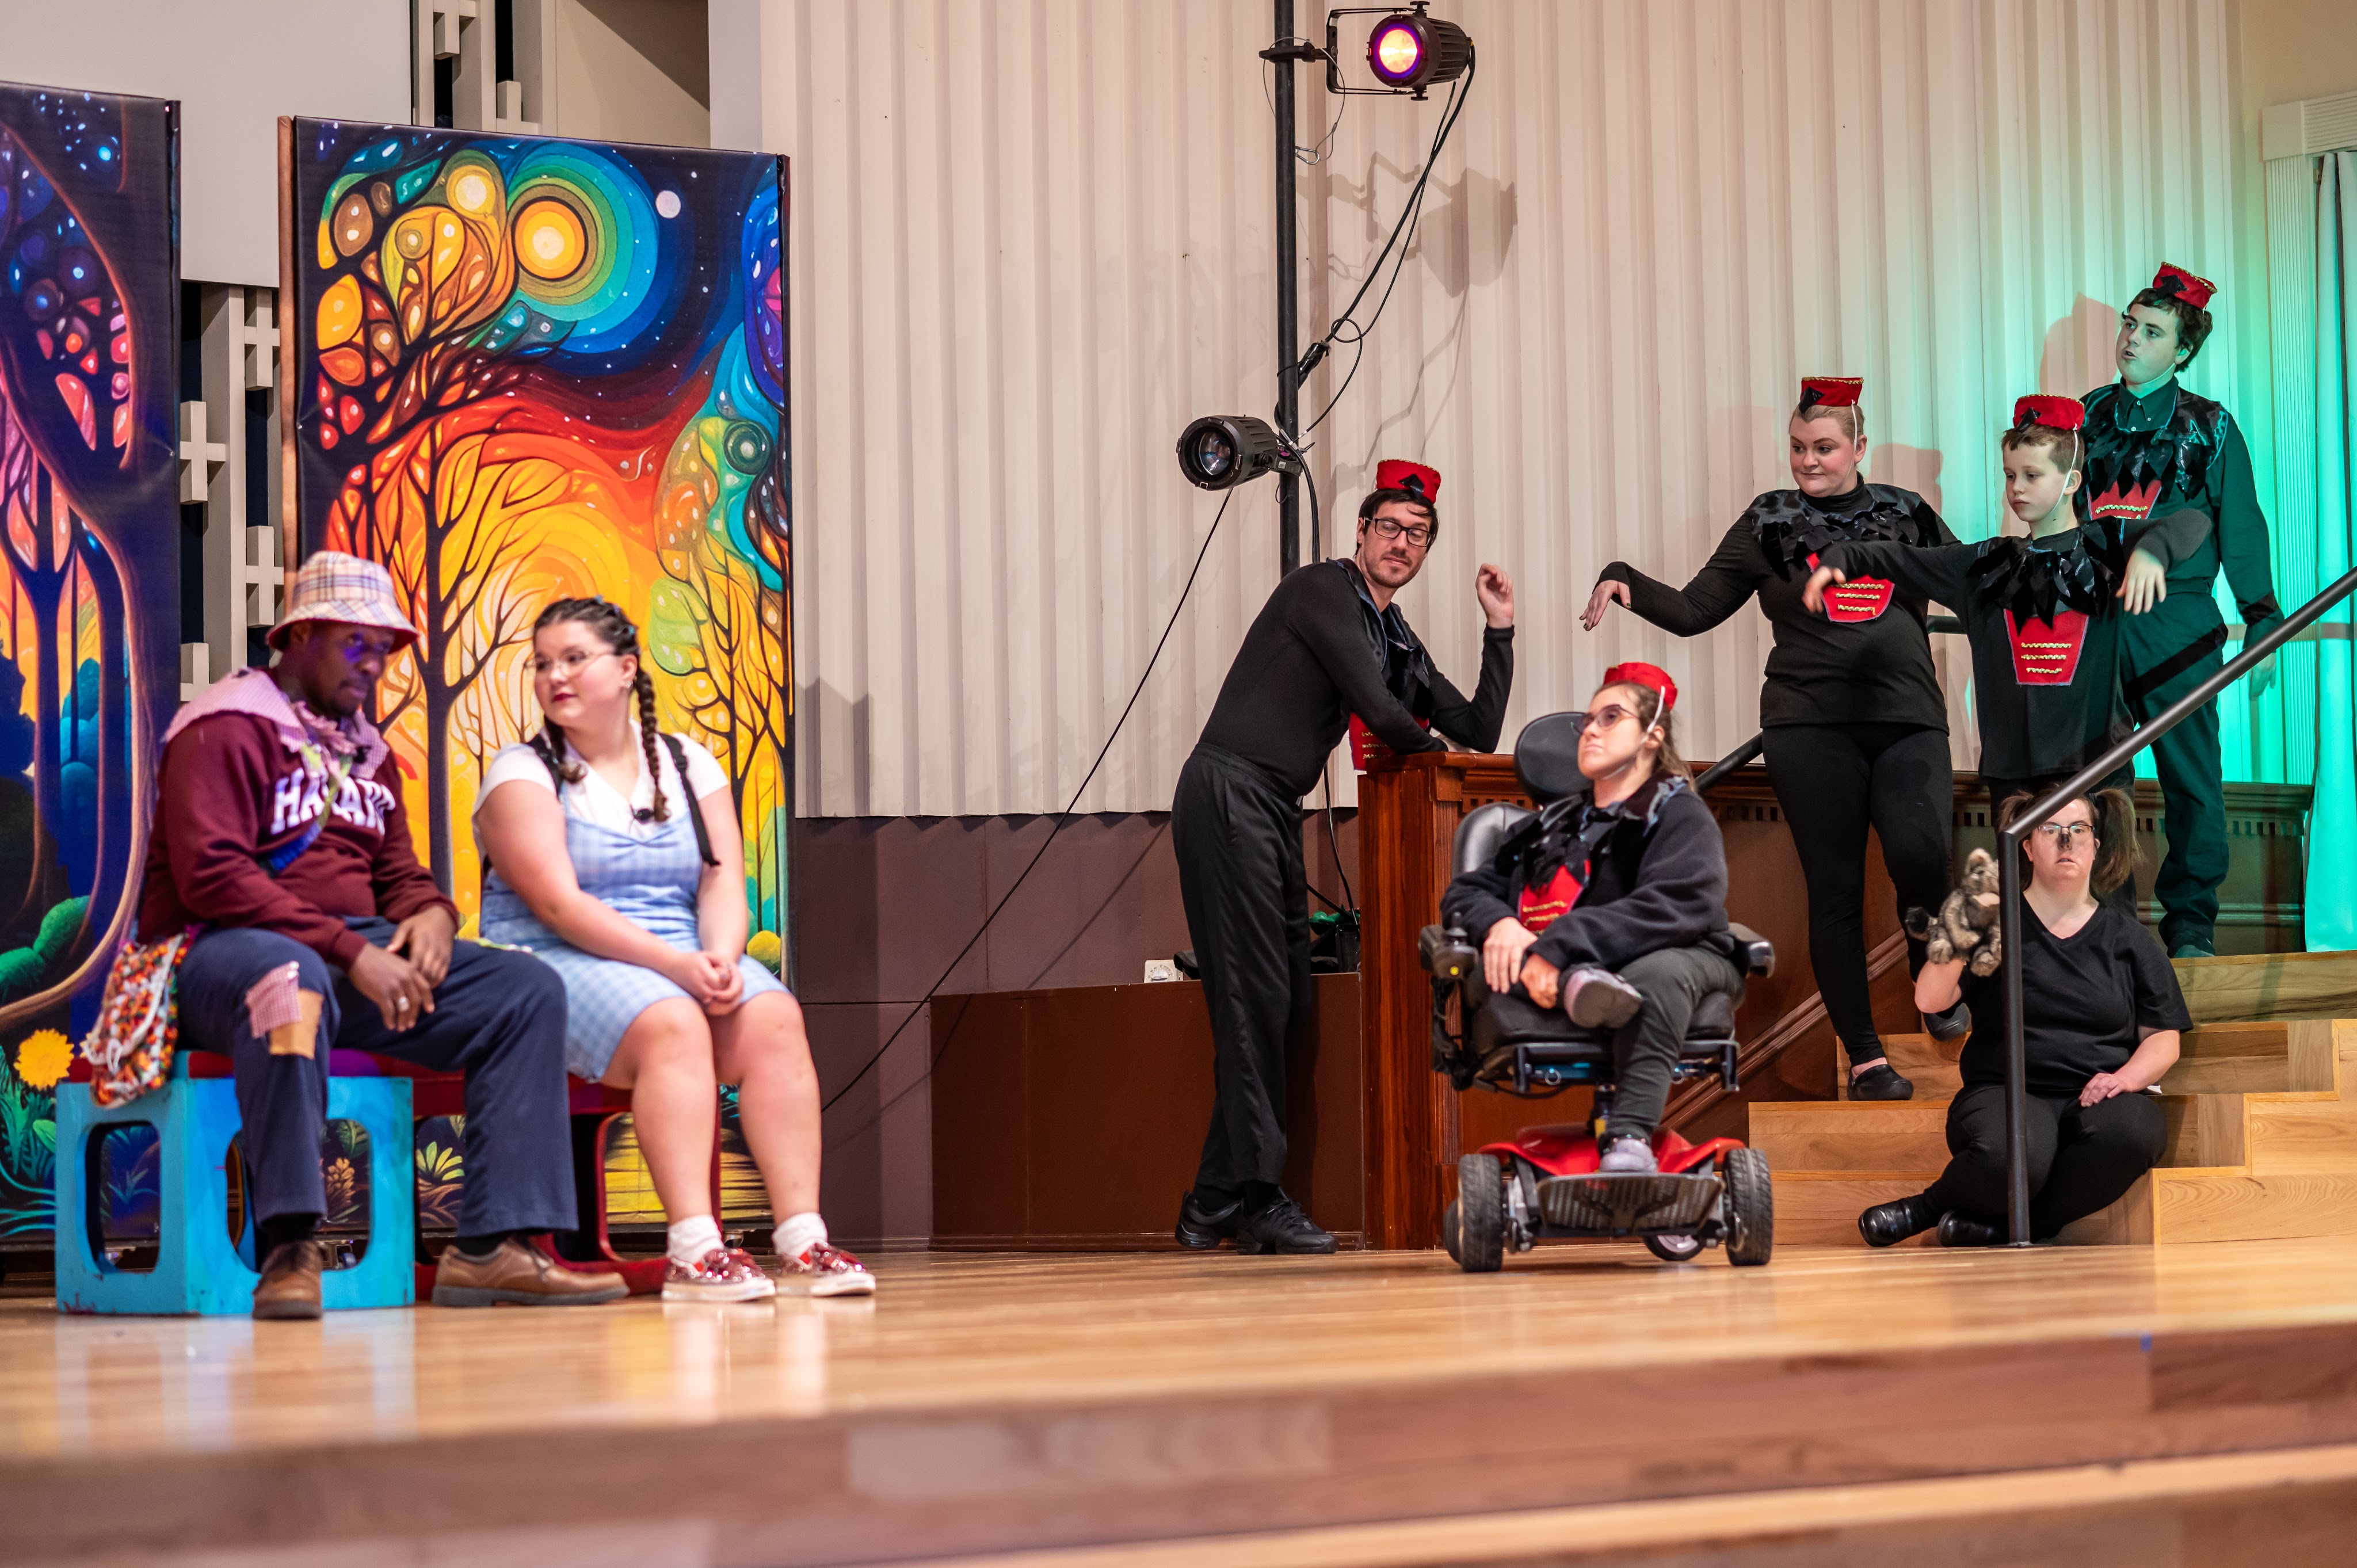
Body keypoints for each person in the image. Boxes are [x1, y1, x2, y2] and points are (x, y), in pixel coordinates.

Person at [135, 553, 623, 1318]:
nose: (374, 663)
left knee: (523, 990)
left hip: (346, 955)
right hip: (219, 957)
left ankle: (493, 1246)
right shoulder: (223, 725)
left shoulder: (366, 751)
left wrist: (430, 915)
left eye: (385, 648)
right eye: (355, 643)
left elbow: (398, 873)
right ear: (299, 636)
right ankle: (290, 1247)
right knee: (287, 982)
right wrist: (352, 951)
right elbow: (213, 878)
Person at [475, 598, 871, 1299]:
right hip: (557, 958)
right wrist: (677, 967)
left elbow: (721, 879)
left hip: (680, 951)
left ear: (627, 668)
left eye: (574, 658)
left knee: (773, 1015)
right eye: (542, 663)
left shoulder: (687, 762)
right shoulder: (521, 772)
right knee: (671, 1021)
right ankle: (694, 1250)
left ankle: (802, 1238)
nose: (554, 676)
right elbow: (560, 906)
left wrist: (719, 955)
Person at [1175, 459, 1515, 1254]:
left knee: (1289, 1003)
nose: (1402, 542)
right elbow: (1386, 714)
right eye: (1389, 527)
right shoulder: (1322, 590)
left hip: (1273, 808)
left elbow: (1479, 728)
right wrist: (1431, 752)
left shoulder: (1392, 633)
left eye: (1418, 535)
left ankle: (1213, 1201)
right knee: (1257, 1001)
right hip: (1230, 790)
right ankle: (1257, 1197)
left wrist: (1499, 629)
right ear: (1361, 532)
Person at [1585, 377, 1959, 1100]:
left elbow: (1972, 586)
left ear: (1859, 446)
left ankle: (1931, 968)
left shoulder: (1907, 513)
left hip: (1907, 718)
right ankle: (1866, 1059)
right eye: (1797, 447)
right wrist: (1625, 579)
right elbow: (1695, 608)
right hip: (1807, 726)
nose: (1808, 461)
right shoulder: (1768, 519)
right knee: (1834, 890)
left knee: (1921, 857)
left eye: (1824, 448)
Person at [1802, 395, 2209, 921]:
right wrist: (1839, 557)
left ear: (2071, 480)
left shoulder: (2107, 545)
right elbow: (1895, 557)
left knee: (2107, 912)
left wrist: (2153, 552)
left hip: (2097, 767)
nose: (2016, 488)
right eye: (2010, 475)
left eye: (2032, 476)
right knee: (2024, 917)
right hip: (2015, 775)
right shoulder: (1984, 565)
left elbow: (2192, 522)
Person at [1437, 665, 1745, 1171]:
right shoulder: (1551, 824)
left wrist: (1558, 946)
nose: (1590, 730)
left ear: (1652, 736)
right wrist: (1501, 924)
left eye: (1611, 717)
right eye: (1588, 720)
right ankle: (1578, 981)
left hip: (1683, 955)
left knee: (1655, 973)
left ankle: (1629, 1140)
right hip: (1559, 962)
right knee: (1496, 960)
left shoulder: (1679, 812)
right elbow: (1466, 891)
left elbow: (1678, 904)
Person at [1858, 788, 2187, 1246]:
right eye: (2051, 829)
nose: (2066, 841)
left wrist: (2126, 1078)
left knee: (2137, 1133)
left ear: (2096, 845)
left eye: (2078, 830)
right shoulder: (1995, 925)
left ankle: (2024, 1226)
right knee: (2017, 1151)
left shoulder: (2129, 939)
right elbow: (1930, 999)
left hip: (2096, 1094)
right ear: (2028, 846)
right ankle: (1925, 1208)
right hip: (2004, 1091)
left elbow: (2164, 1039)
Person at [2082, 264, 2283, 957]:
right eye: (2129, 324)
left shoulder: (2210, 426)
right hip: (2096, 622)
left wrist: (2262, 621)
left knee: (2191, 779)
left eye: (2151, 331)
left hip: (2178, 624)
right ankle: (2105, 925)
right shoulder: (2085, 416)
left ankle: (2191, 926)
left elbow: (2242, 526)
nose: (2131, 339)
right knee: (2096, 779)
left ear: (2183, 349)